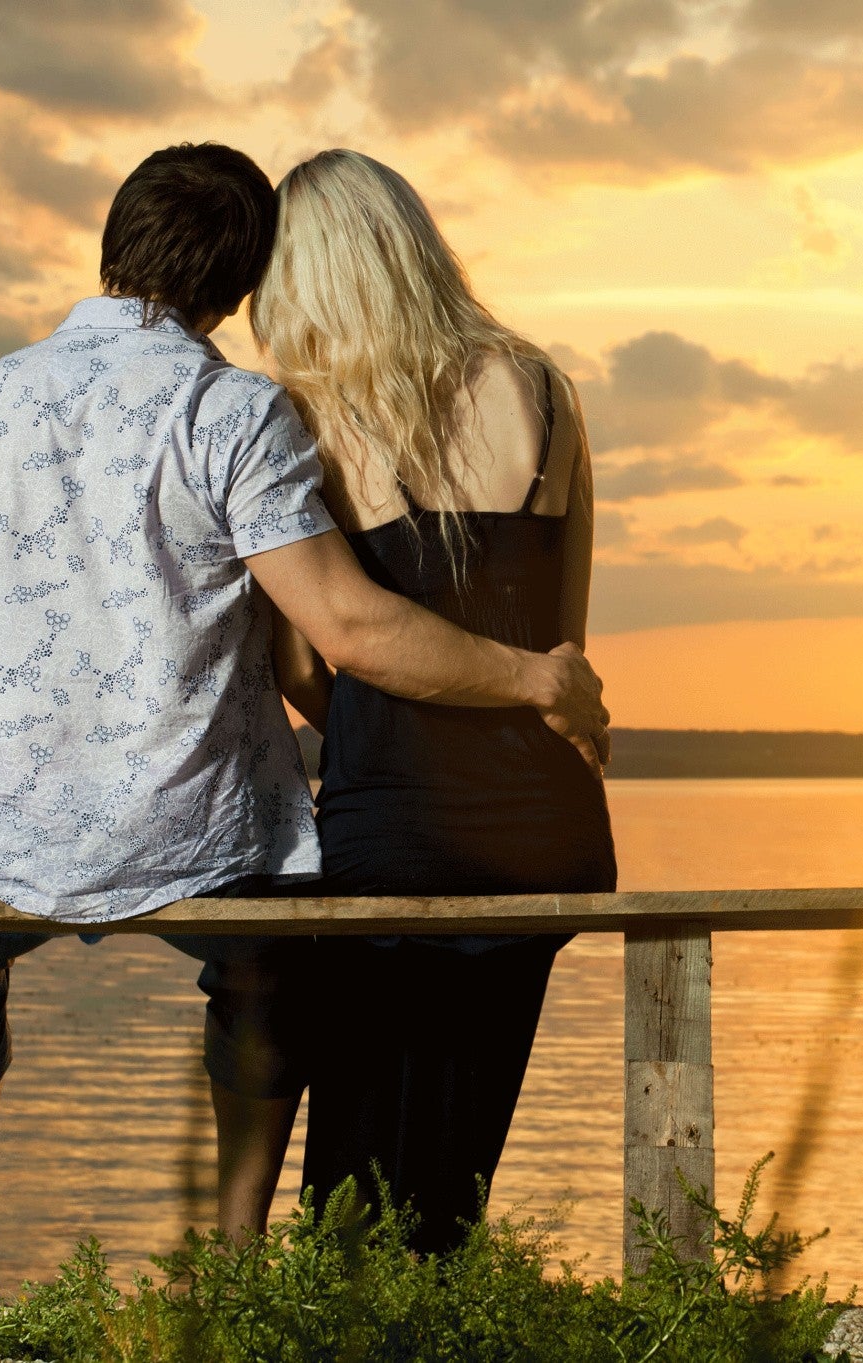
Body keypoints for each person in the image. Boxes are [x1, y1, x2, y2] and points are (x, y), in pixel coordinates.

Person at [0, 142, 609, 1298]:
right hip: (234, 835)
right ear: (235, 287)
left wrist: (1, 804)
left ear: (110, 243)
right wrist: (527, 686)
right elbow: (366, 627)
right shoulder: (240, 413)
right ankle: (228, 1255)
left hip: (26, 831)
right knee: (265, 984)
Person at [251, 149, 618, 1255]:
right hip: (543, 824)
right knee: (455, 1154)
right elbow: (566, 640)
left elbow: (314, 662)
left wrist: (400, 696)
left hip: (394, 820)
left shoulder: (307, 421)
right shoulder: (542, 387)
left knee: (354, 1176)